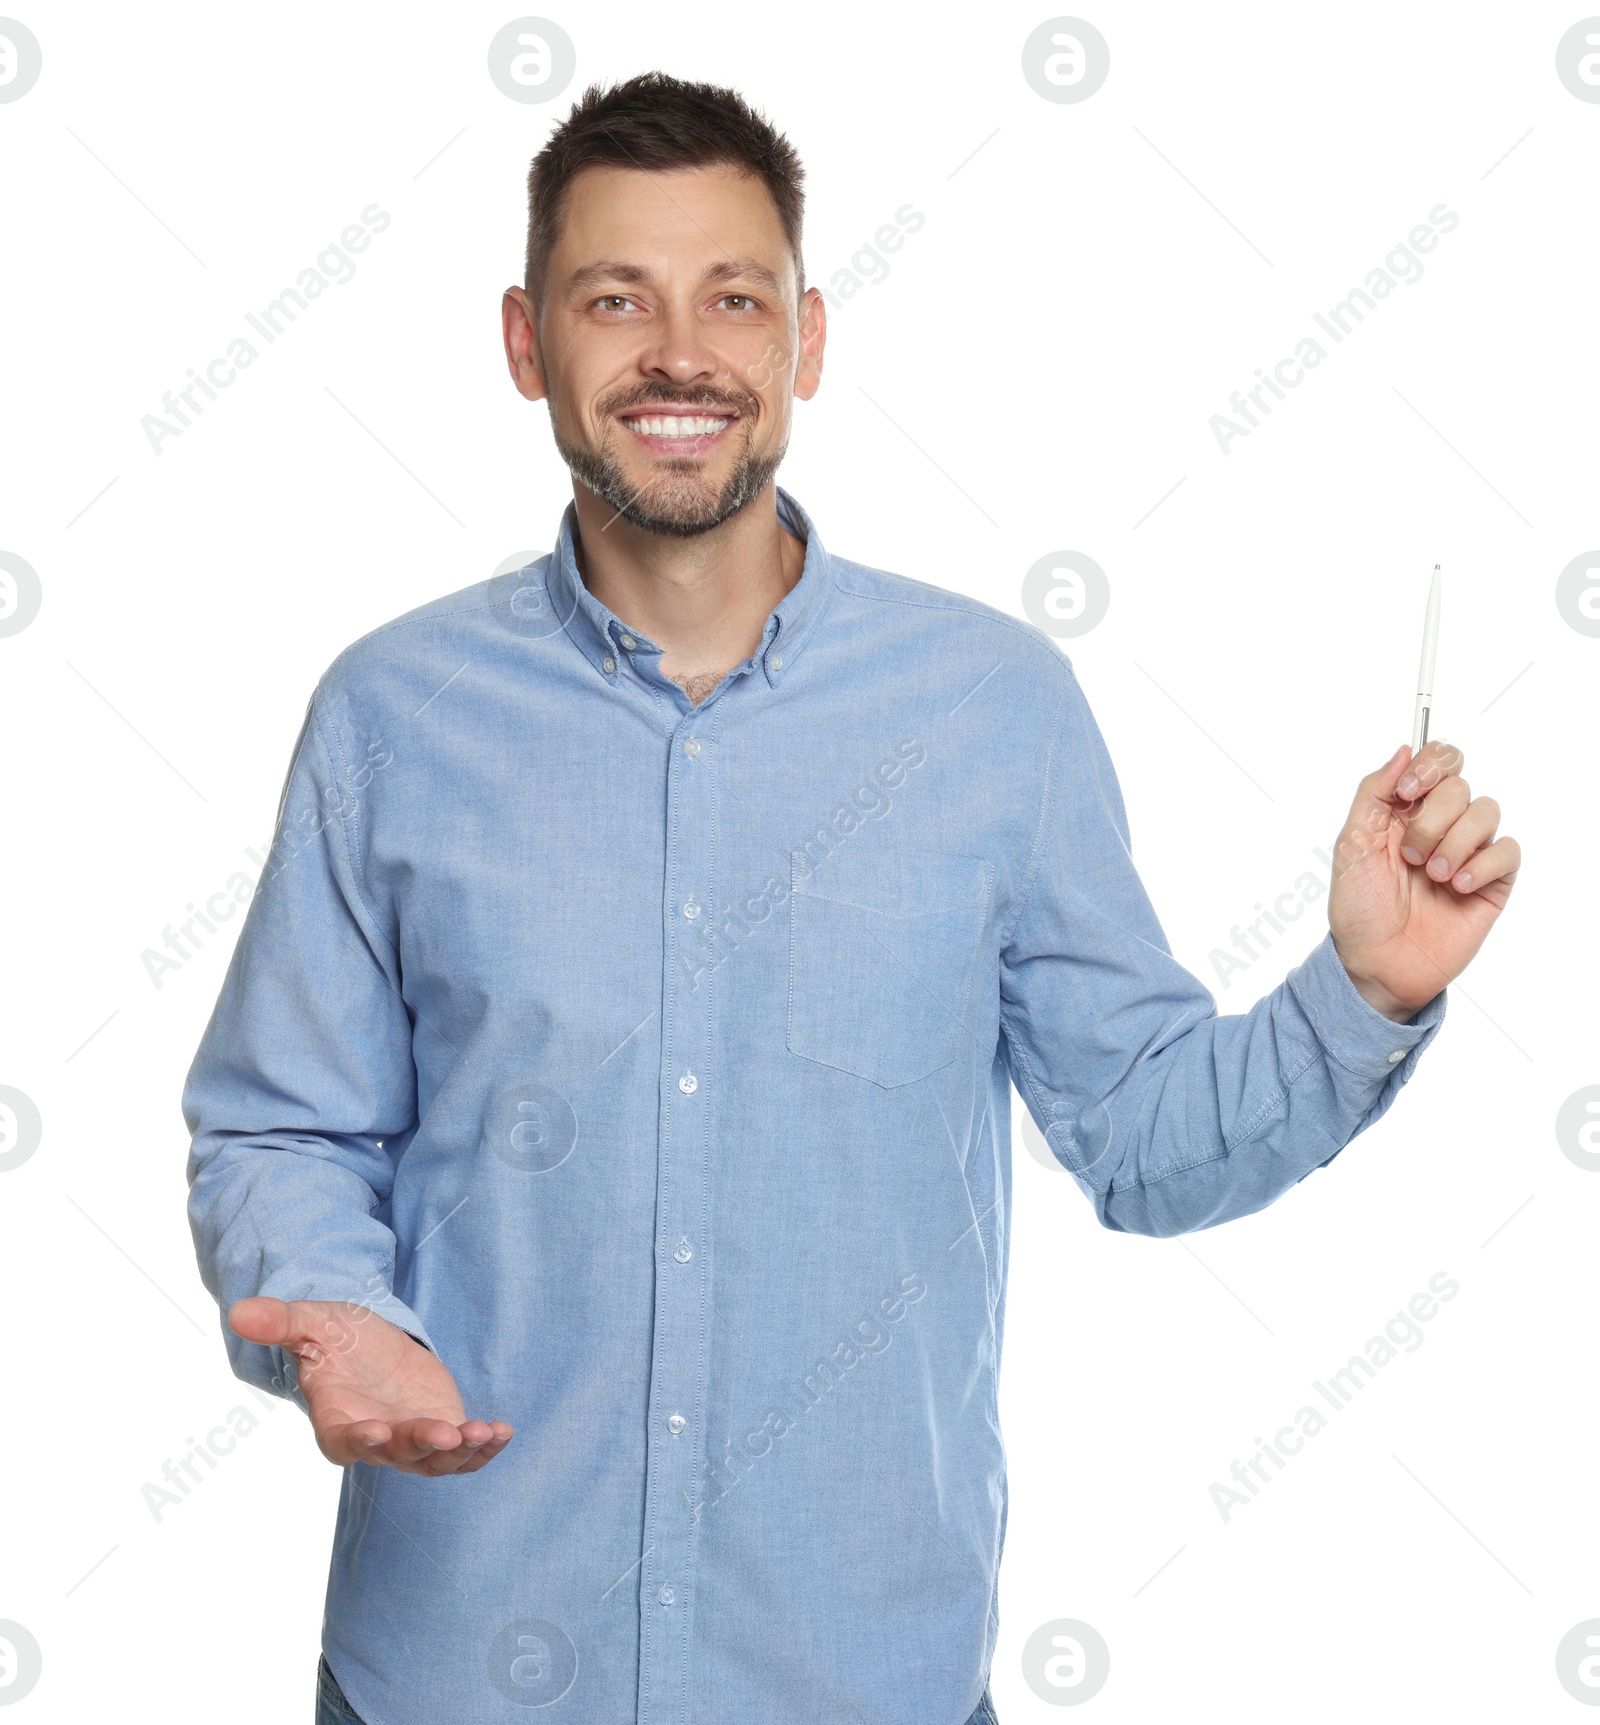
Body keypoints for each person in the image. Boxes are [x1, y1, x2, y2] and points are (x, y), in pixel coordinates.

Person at [183, 71, 1519, 1725]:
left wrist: (1365, 989)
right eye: (618, 300)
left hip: (856, 1682)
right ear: (528, 344)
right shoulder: (392, 717)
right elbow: (282, 1127)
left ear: (805, 344)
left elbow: (1147, 1139)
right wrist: (336, 1317)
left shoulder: (991, 712)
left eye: (732, 298)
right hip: (456, 1675)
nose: (681, 353)